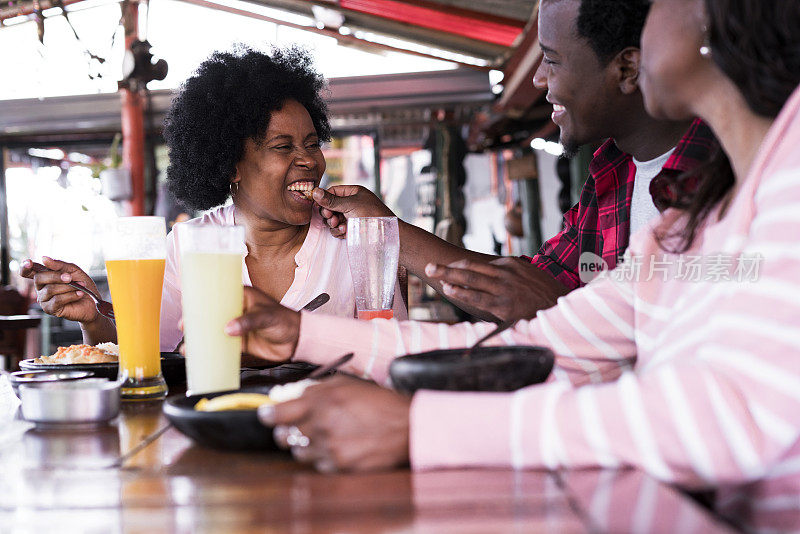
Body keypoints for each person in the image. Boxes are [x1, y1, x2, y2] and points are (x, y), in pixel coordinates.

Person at [226, 0, 800, 530]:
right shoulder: (693, 224)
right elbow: (533, 347)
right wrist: (299, 333)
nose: (640, 26)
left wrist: (422, 430)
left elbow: (725, 414)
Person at [309, 0, 717, 323]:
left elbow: (700, 349)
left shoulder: (727, 175)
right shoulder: (612, 175)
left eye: (552, 60)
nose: (539, 79)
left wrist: (558, 308)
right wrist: (385, 226)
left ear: (626, 68)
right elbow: (526, 287)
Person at [20, 46, 406, 352]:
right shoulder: (186, 246)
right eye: (282, 146)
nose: (308, 160)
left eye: (311, 144)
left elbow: (393, 352)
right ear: (231, 165)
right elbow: (147, 352)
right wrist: (95, 320)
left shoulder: (355, 240)